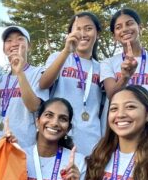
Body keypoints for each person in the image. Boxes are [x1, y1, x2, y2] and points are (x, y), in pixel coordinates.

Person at [39, 12, 105, 156]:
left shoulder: (101, 67)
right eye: (77, 29)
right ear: (69, 34)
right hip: (58, 134)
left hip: (91, 140)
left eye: (88, 28)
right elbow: (43, 84)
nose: (82, 33)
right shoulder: (58, 57)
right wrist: (66, 51)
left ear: (97, 33)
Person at [0, 25, 47, 147]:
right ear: (4, 49)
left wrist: (20, 73)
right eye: (9, 41)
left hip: (24, 144)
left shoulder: (38, 72)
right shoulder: (1, 78)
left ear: (29, 46)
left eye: (20, 39)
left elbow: (34, 107)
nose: (14, 43)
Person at [101, 8, 148, 103]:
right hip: (118, 117)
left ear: (140, 28)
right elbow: (110, 95)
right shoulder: (108, 63)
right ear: (114, 36)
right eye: (118, 27)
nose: (124, 29)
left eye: (129, 24)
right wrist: (125, 77)